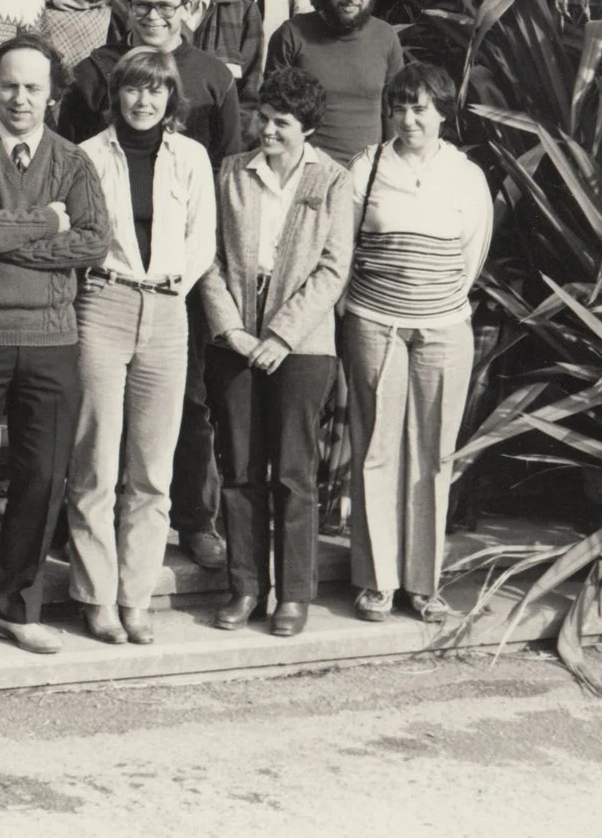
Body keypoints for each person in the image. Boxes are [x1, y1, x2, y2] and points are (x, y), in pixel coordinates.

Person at [0, 33, 114, 655]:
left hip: (50, 340)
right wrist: (46, 221)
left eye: (34, 87)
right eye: (8, 85)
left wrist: (0, 234)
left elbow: (92, 243)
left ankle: (15, 605)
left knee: (41, 477)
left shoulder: (73, 162)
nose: (20, 98)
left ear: (53, 94)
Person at [198, 67, 356, 638]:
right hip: (235, 340)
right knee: (239, 469)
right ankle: (245, 586)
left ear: (307, 129)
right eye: (263, 119)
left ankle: (293, 594)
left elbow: (334, 267)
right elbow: (207, 258)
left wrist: (282, 336)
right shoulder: (230, 174)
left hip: (304, 347)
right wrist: (234, 331)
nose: (267, 131)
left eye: (281, 124)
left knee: (293, 472)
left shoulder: (333, 182)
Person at [69, 47, 218, 646]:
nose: (143, 100)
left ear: (170, 97)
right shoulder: (86, 156)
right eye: (132, 88)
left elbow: (202, 234)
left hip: (167, 310)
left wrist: (176, 283)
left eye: (155, 90)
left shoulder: (191, 157)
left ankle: (136, 595)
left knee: (152, 468)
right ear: (116, 94)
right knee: (97, 462)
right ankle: (97, 596)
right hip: (103, 303)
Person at [341, 63, 492, 625]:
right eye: (401, 107)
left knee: (433, 455)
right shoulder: (368, 166)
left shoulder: (466, 175)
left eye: (421, 108)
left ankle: (424, 586)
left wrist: (431, 306)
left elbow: (471, 255)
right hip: (374, 322)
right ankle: (377, 582)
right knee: (377, 449)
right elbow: (346, 241)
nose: (409, 119)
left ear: (443, 113)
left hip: (443, 328)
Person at [60, 0, 243, 164]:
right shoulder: (93, 72)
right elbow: (69, 157)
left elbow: (227, 164)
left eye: (165, 7)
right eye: (142, 6)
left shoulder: (215, 77)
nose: (153, 16)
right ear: (129, 7)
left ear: (185, 8)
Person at [264, 0, 409, 165]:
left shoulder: (386, 37)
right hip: (304, 173)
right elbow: (273, 115)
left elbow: (394, 113)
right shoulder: (292, 34)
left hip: (367, 177)